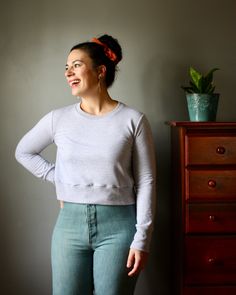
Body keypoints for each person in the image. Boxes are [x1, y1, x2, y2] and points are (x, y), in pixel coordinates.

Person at [15, 34, 157, 295]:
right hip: (68, 226)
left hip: (120, 228)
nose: (69, 72)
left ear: (101, 71)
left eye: (76, 65)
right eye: (66, 67)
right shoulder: (58, 119)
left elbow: (146, 181)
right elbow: (23, 151)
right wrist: (59, 178)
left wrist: (142, 239)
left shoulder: (133, 120)